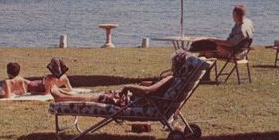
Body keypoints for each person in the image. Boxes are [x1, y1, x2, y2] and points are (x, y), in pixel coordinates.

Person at [50, 51, 190, 106]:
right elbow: (152, 88)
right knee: (98, 95)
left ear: (176, 65)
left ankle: (61, 98)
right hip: (138, 100)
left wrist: (128, 87)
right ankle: (63, 95)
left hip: (134, 102)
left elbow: (148, 91)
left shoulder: (171, 78)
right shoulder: (176, 80)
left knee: (97, 98)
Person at [190, 5, 254, 59]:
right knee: (209, 46)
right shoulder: (248, 22)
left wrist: (215, 41)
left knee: (208, 51)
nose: (232, 17)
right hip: (243, 51)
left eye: (233, 15)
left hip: (235, 54)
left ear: (236, 15)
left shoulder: (241, 29)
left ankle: (202, 71)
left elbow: (231, 43)